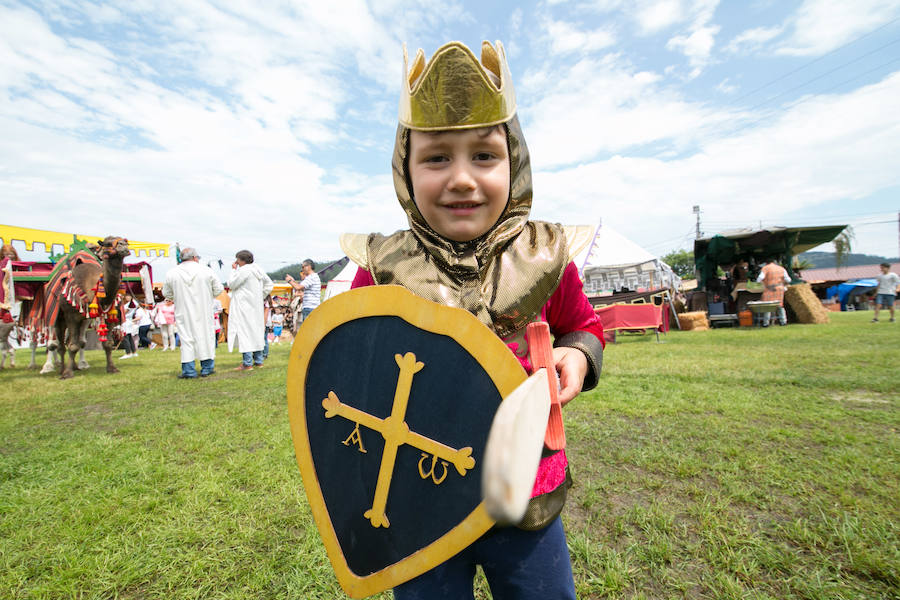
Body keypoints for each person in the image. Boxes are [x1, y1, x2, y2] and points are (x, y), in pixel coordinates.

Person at [346, 40, 604, 599]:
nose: (462, 178)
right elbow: (349, 362)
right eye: (437, 158)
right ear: (404, 168)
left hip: (524, 490)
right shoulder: (382, 269)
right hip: (417, 499)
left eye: (484, 156)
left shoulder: (545, 258)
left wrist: (578, 354)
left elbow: (585, 324)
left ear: (515, 159)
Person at [162, 246, 224, 378]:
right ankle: (207, 367)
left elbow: (166, 293)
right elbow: (218, 289)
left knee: (186, 338)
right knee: (206, 336)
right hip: (204, 309)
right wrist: (208, 295)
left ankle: (189, 370)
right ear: (195, 258)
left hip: (183, 310)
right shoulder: (206, 271)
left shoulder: (172, 273)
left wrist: (177, 297)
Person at [227, 250, 274, 371]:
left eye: (237, 259)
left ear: (241, 260)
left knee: (245, 333)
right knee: (256, 332)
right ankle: (258, 361)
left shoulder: (244, 270)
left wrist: (233, 270)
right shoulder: (258, 269)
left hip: (243, 305)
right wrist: (259, 296)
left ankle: (247, 363)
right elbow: (269, 285)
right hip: (256, 306)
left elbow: (232, 284)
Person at [756, 257, 791, 326]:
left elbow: (760, 278)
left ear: (766, 263)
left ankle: (766, 323)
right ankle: (783, 321)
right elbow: (788, 280)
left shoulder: (765, 268)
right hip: (779, 289)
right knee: (780, 305)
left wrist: (760, 283)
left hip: (769, 288)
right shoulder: (781, 268)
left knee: (767, 306)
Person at [285, 259, 320, 325]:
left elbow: (298, 287)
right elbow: (300, 287)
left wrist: (289, 281)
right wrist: (293, 281)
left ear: (309, 266)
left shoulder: (311, 277)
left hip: (310, 307)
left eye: (303, 267)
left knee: (308, 329)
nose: (302, 269)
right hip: (311, 307)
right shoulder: (313, 277)